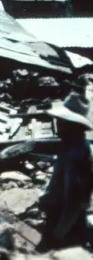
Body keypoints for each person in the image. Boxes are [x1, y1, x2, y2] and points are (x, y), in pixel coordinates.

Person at [38, 91, 93, 250]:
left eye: (61, 121)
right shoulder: (73, 147)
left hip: (67, 226)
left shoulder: (76, 157)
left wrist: (57, 235)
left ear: (71, 125)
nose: (57, 125)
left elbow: (74, 203)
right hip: (63, 219)